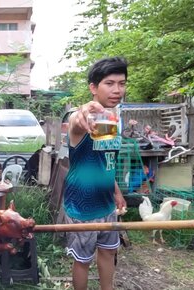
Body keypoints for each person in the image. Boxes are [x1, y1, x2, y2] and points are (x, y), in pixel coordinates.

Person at [63, 57, 128, 290]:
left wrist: (116, 191)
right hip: (82, 205)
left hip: (106, 203)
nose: (117, 90)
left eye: (121, 83)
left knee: (109, 252)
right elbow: (76, 123)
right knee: (82, 260)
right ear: (93, 87)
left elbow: (106, 159)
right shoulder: (84, 119)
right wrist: (80, 113)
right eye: (109, 83)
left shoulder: (113, 119)